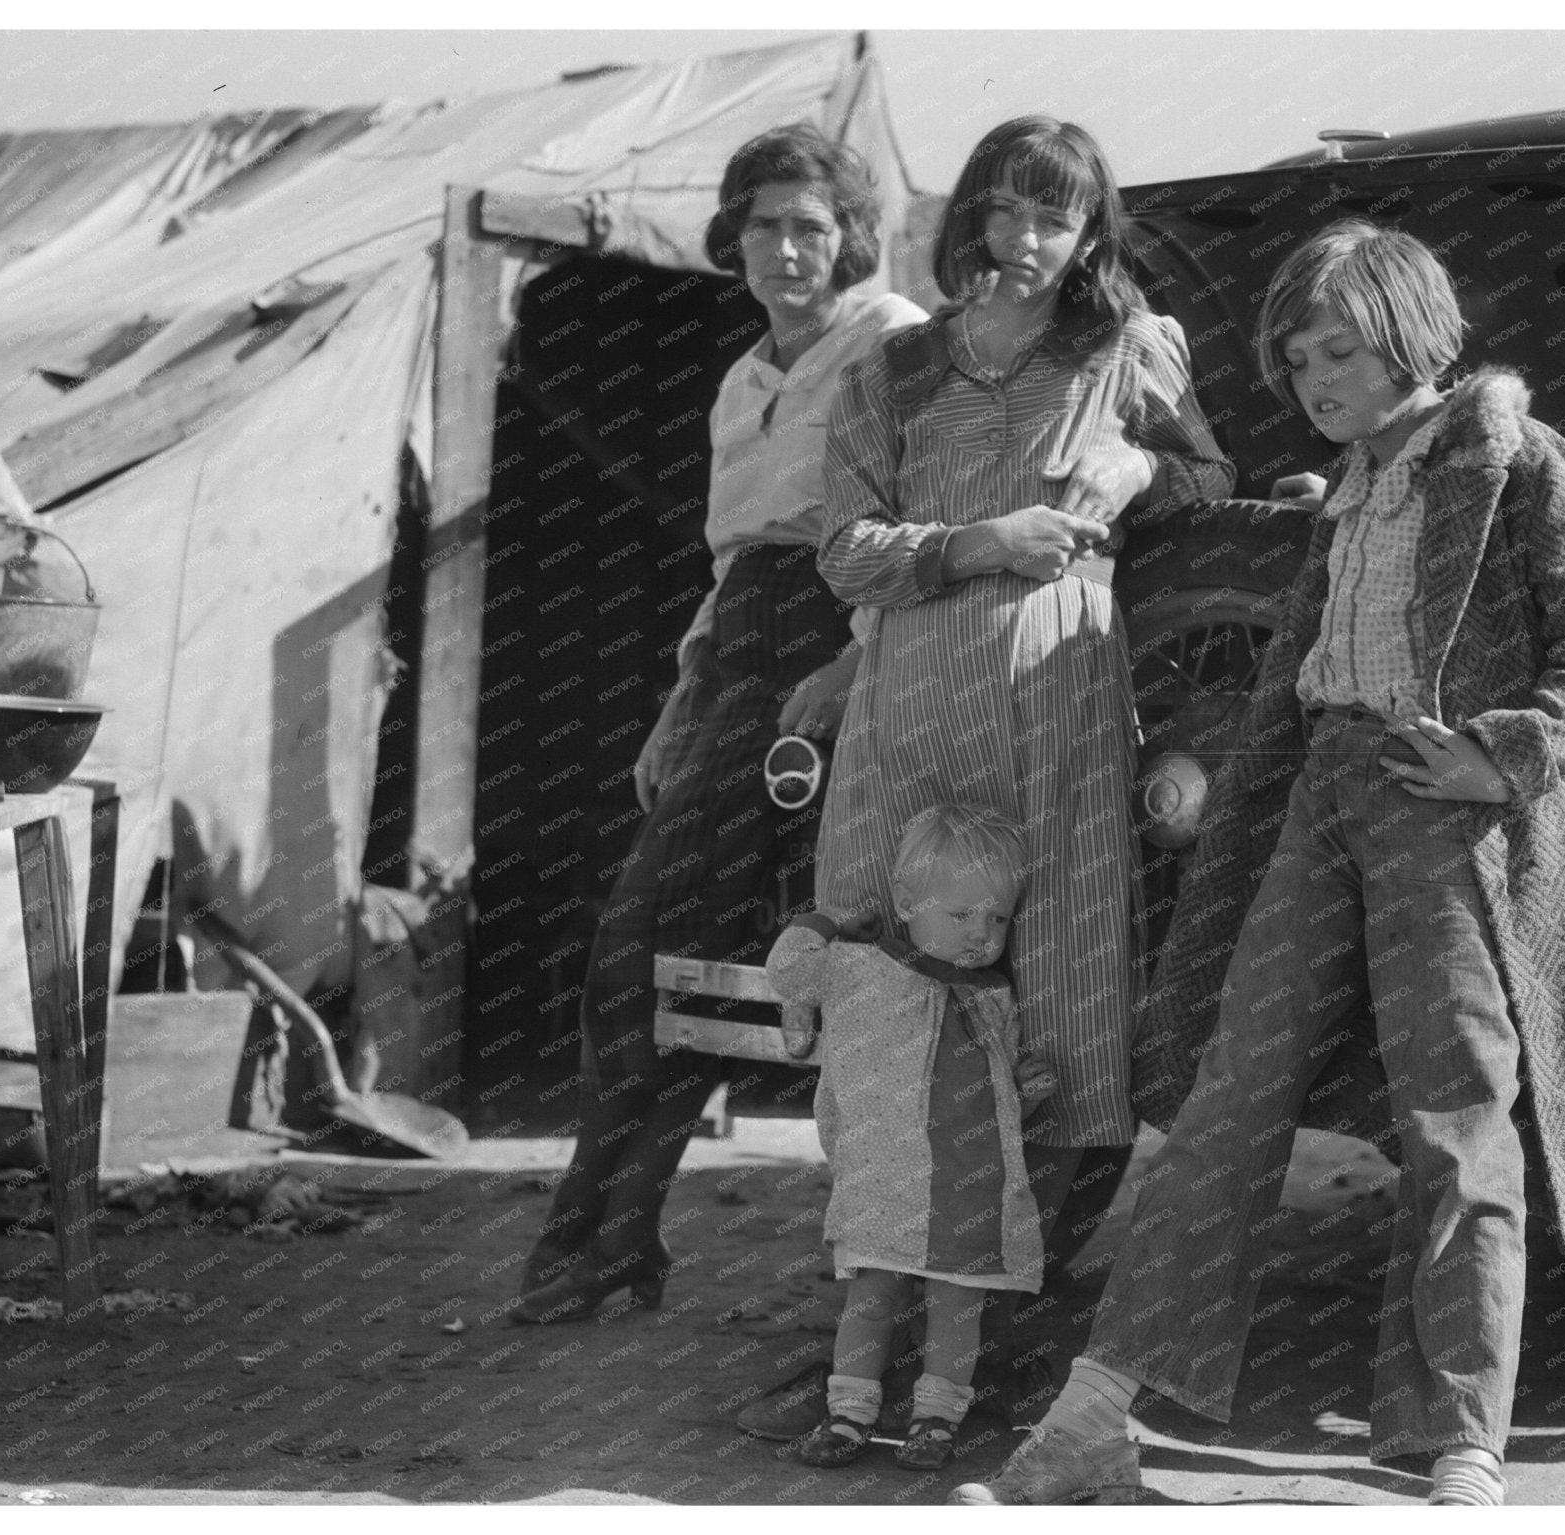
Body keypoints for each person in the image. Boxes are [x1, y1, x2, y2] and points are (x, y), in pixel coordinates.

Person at [952, 219, 1565, 1506]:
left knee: (1455, 1116)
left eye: (1337, 349)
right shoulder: (1350, 485)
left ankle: (1462, 1448)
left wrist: (1498, 755)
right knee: (1223, 1103)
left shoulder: (1520, 463)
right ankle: (1092, 1416)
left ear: (1407, 337)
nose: (1312, 376)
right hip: (1321, 799)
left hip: (1443, 811)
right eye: (1295, 356)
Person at [807, 112, 1235, 1404]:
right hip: (914, 706)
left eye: (1061, 215)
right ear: (974, 216)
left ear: (1092, 227)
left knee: (1052, 1001)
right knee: (899, 990)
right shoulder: (894, 368)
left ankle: (1003, 1327)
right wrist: (978, 541)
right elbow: (843, 549)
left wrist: (1138, 463)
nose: (1034, 238)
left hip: (1057, 708)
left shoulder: (1123, 346)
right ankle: (871, 1329)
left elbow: (1211, 475)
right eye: (1011, 209)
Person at [513, 125, 925, 1324]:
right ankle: (614, 1241)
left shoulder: (890, 341)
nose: (789, 249)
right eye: (765, 226)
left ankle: (597, 1245)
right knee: (645, 960)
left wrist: (857, 662)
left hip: (847, 639)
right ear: (732, 237)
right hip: (739, 651)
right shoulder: (743, 377)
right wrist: (679, 703)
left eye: (811, 226)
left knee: (769, 961)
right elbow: (732, 562)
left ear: (848, 236)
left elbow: (918, 519)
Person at [765, 804, 1054, 1471]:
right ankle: (849, 1415)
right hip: (884, 1186)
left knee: (958, 1309)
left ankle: (935, 1421)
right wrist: (829, 918)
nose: (981, 934)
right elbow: (789, 973)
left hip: (968, 1191)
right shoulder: (861, 967)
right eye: (960, 916)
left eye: (998, 918)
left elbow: (994, 1103)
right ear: (905, 902)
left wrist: (1025, 1090)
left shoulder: (993, 997)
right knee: (869, 1301)